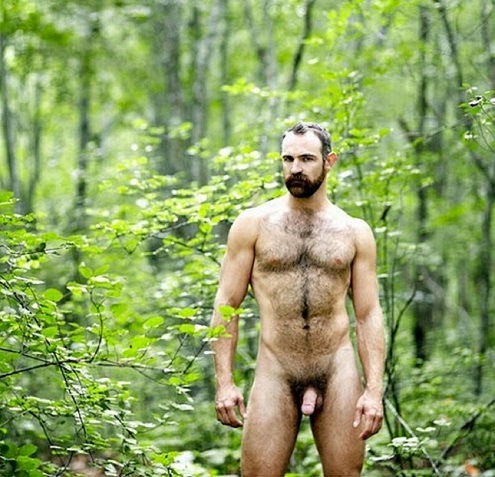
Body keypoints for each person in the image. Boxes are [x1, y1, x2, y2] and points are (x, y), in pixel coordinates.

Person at [210, 121, 386, 476]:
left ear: (329, 161)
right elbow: (227, 305)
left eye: (306, 159)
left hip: (336, 369)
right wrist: (225, 382)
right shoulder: (253, 225)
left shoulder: (354, 232)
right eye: (288, 159)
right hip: (277, 368)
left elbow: (368, 314)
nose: (295, 169)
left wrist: (374, 390)